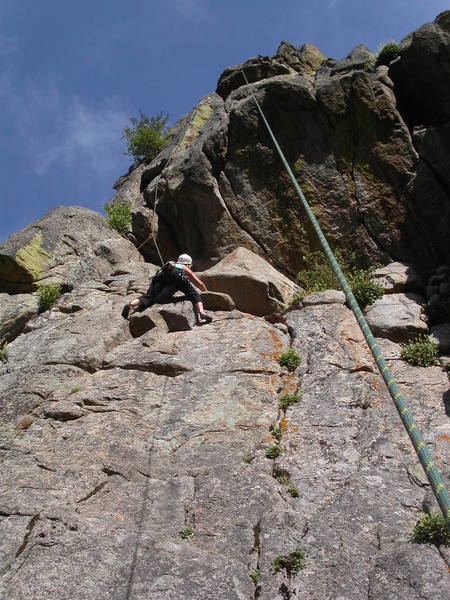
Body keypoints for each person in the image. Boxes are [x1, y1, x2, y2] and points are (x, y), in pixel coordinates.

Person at [121, 254, 213, 325]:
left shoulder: (169, 265)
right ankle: (202, 312)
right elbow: (198, 282)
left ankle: (131, 304)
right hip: (178, 277)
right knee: (194, 294)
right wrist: (206, 291)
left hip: (160, 277)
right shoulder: (183, 266)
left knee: (150, 296)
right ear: (187, 263)